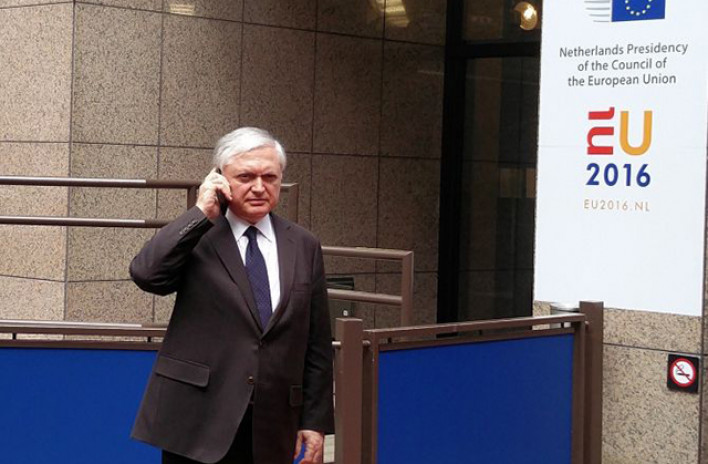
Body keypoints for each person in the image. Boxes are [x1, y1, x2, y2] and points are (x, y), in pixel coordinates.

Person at [129, 127, 334, 464]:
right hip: (198, 421)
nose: (259, 187)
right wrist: (201, 213)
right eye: (245, 176)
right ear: (220, 178)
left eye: (270, 177)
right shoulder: (199, 235)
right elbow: (147, 274)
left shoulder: (303, 244)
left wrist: (314, 421)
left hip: (272, 425)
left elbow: (317, 341)